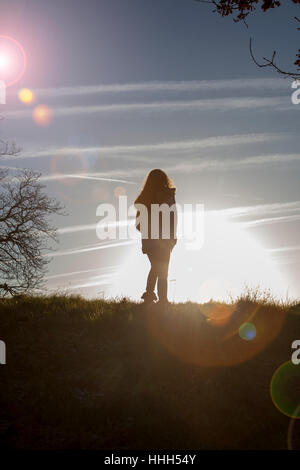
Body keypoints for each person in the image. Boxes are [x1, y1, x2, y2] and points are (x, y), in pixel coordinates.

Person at [134, 169, 177, 305]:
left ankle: (150, 295)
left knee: (156, 267)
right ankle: (162, 299)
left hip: (150, 241)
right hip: (165, 240)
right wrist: (172, 237)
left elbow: (138, 224)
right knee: (162, 269)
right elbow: (173, 218)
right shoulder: (168, 195)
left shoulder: (144, 198)